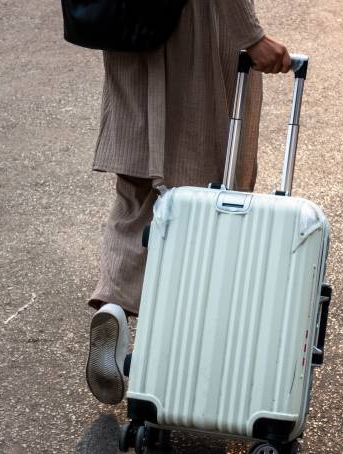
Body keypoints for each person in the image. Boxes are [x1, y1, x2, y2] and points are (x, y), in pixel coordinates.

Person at [86, 0, 291, 405]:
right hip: (193, 30)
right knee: (207, 194)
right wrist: (252, 36)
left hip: (131, 27)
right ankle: (186, 354)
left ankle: (113, 306)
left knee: (137, 191)